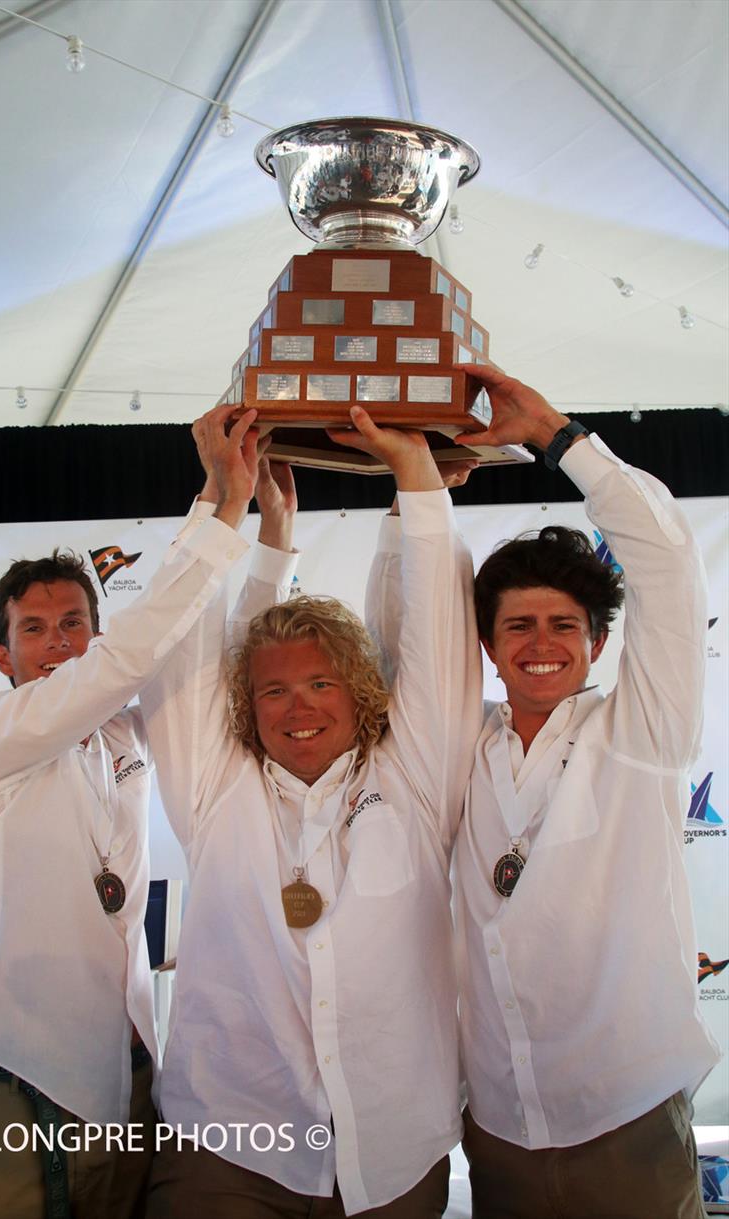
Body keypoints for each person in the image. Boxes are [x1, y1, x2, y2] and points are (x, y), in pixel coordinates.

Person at [0, 409, 294, 1219]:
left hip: (126, 1075)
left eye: (74, 626)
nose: (58, 644)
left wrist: (267, 530)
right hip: (11, 1079)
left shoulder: (125, 730)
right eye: (35, 631)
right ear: (3, 655)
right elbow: (133, 651)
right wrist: (219, 505)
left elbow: (210, 650)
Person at [383, 365, 719, 1219]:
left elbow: (669, 569)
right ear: (489, 648)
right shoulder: (464, 745)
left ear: (598, 641)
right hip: (497, 1122)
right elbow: (406, 642)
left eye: (563, 624)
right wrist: (412, 492)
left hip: (626, 1120)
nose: (541, 644)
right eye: (517, 626)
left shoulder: (640, 731)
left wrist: (556, 437)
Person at [139, 408, 483, 1217]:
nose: (299, 707)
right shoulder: (216, 789)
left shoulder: (415, 775)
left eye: (321, 683)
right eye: (274, 689)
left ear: (359, 689)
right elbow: (182, 652)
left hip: (393, 1149)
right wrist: (227, 504)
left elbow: (436, 639)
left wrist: (417, 479)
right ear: (245, 704)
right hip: (230, 1146)